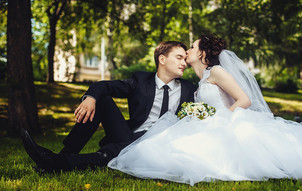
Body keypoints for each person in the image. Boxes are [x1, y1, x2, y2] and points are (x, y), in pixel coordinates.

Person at [108, 34, 302, 186]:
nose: (188, 52)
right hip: (210, 124)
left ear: (203, 53)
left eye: (192, 48)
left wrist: (221, 122)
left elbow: (244, 100)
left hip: (228, 123)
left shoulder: (216, 71)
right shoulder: (202, 79)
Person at [21, 41, 198, 172]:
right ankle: (65, 153)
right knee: (102, 99)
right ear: (162, 59)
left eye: (185, 59)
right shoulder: (141, 81)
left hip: (159, 142)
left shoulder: (189, 89)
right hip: (129, 135)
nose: (184, 63)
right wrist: (90, 98)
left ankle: (54, 162)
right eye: (179, 57)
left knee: (111, 152)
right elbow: (104, 86)